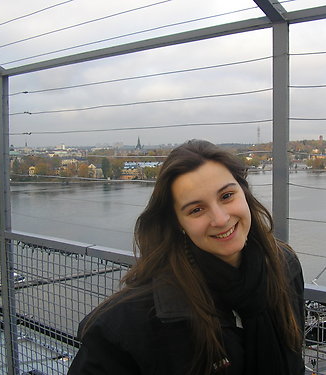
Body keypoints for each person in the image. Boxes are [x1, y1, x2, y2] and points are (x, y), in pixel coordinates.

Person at [67, 139, 305, 375]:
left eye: (226, 196)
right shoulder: (130, 325)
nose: (220, 219)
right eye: (196, 209)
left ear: (244, 193)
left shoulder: (284, 266)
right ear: (178, 223)